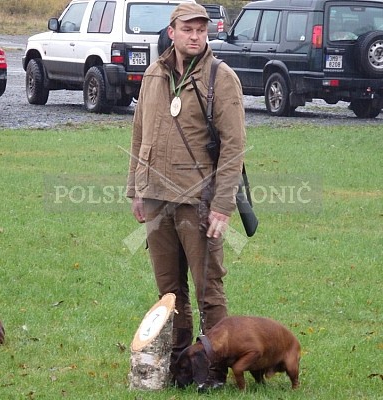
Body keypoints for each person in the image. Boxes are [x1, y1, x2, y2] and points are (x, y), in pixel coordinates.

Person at [126, 2, 246, 390]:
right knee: (169, 292)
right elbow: (140, 133)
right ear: (172, 32)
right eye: (188, 29)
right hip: (157, 197)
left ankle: (212, 368)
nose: (195, 36)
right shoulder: (153, 73)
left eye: (201, 30)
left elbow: (233, 147)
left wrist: (223, 206)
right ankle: (180, 363)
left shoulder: (220, 77)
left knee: (208, 288)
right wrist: (136, 189)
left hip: (200, 201)